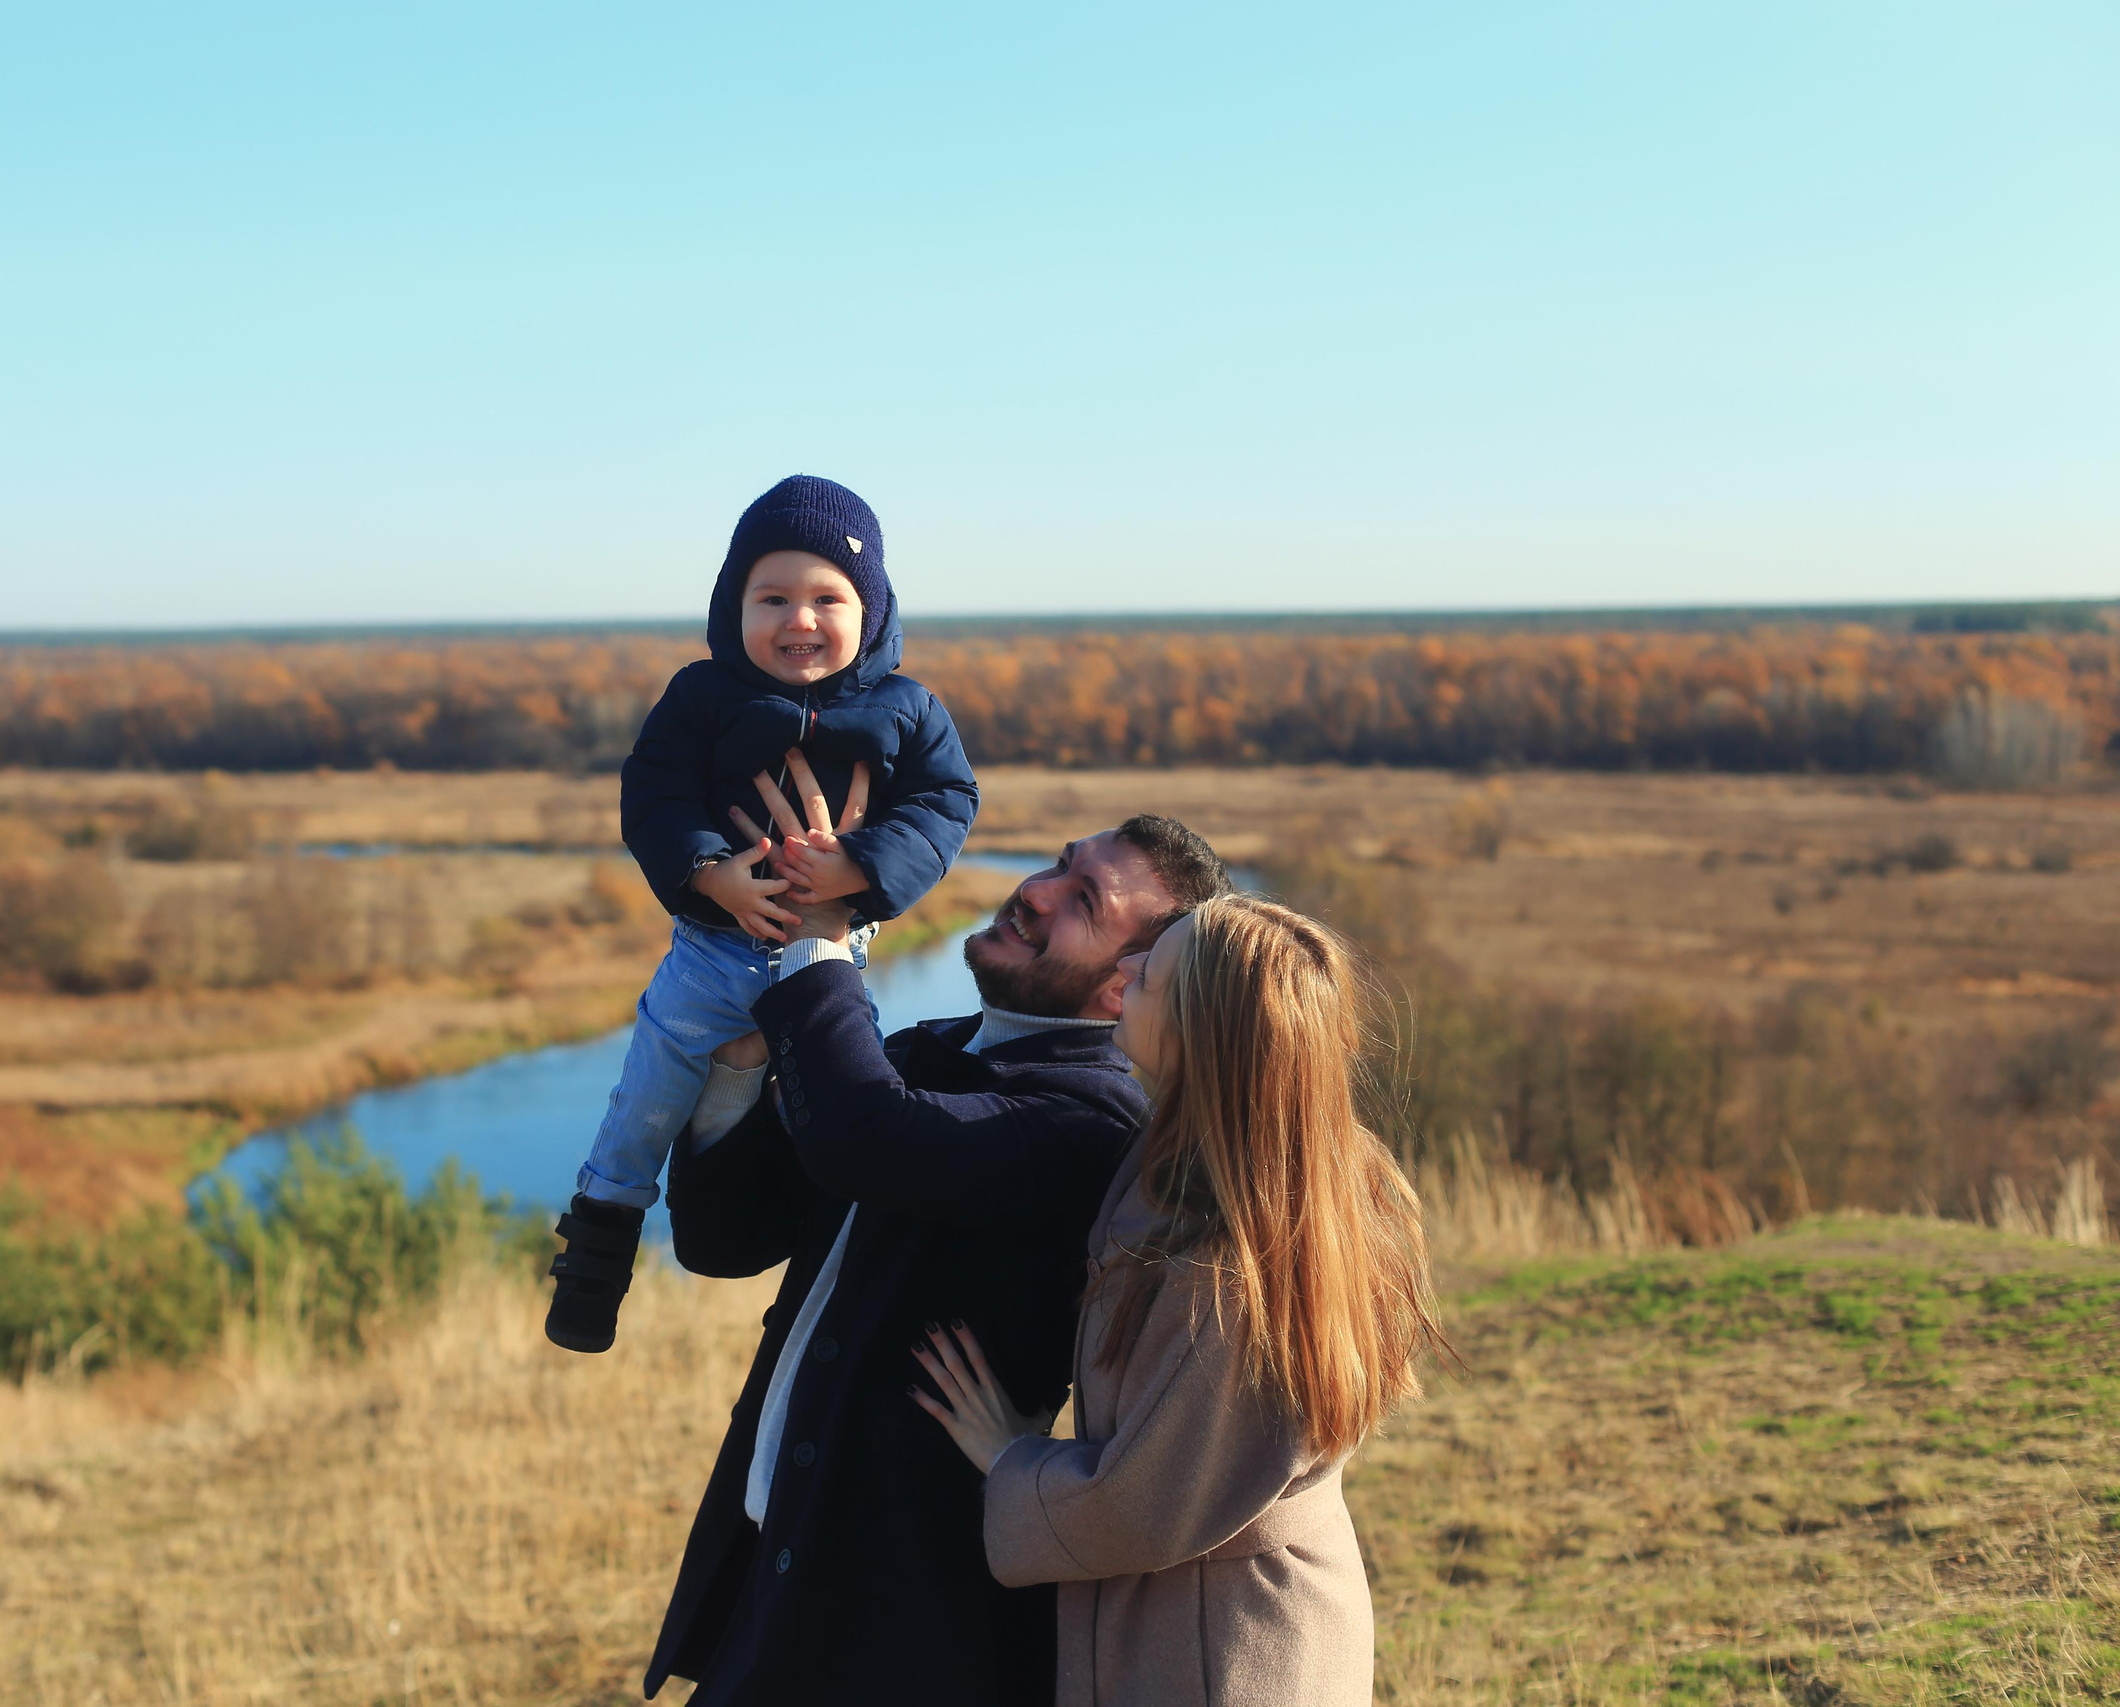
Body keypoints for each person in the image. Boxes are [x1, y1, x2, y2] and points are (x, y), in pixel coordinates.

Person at [642, 786, 1232, 1706]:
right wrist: (744, 1053)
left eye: (1084, 902)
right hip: (782, 1568)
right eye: (1060, 863)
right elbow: (724, 1238)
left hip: (910, 1627)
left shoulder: (1091, 1125)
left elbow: (866, 1136)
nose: (1037, 890)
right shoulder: (920, 1057)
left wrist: (819, 939)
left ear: (1127, 982)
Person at [911, 895, 1447, 1707]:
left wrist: (1011, 1457)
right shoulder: (1278, 1176)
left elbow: (1139, 1506)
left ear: (1205, 1038)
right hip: (1213, 1614)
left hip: (1221, 1646)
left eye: (1152, 973)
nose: (1124, 968)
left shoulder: (1234, 1265)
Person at [547, 473, 980, 1353]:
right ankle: (592, 1279)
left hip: (829, 961)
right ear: (731, 605)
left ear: (875, 610)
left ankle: (826, 1298)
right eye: (771, 596)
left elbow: (945, 801)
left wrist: (858, 866)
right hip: (711, 955)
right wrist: (712, 873)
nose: (800, 619)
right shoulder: (702, 697)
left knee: (837, 1120)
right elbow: (655, 794)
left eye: (829, 597)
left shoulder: (907, 708)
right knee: (642, 1114)